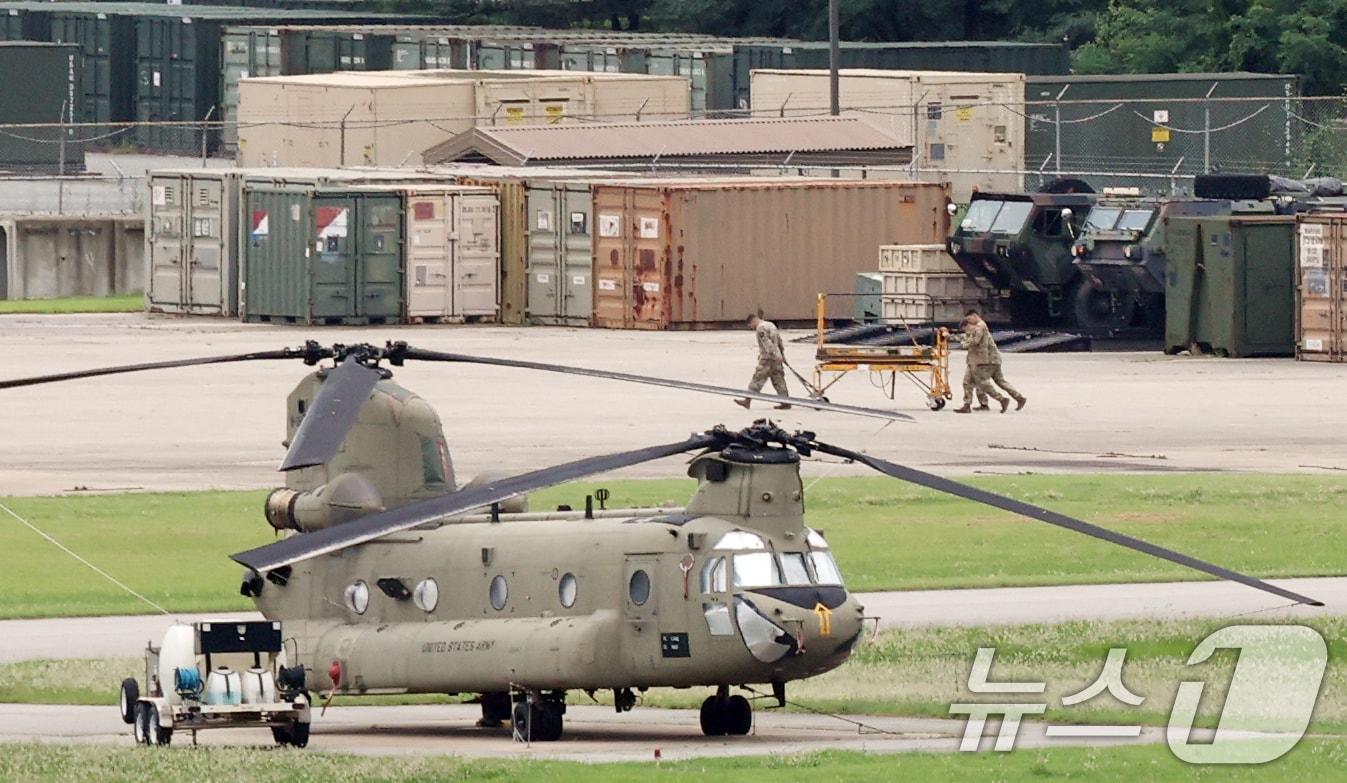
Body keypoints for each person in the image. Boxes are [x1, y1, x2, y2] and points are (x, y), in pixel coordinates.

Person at [942, 309, 1026, 414]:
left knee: (980, 382)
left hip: (983, 360)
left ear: (974, 316)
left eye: (969, 319)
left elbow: (974, 341)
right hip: (988, 359)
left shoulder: (980, 326)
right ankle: (1018, 398)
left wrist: (963, 344)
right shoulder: (979, 327)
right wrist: (950, 336)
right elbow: (966, 336)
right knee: (996, 381)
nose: (969, 322)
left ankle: (1000, 399)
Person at [735, 312, 791, 410]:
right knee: (778, 379)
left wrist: (773, 354)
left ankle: (747, 400)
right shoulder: (771, 325)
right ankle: (785, 401)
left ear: (753, 321)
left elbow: (767, 343)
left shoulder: (761, 328)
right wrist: (781, 355)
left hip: (768, 358)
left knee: (757, 378)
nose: (751, 328)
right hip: (777, 358)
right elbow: (779, 341)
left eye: (750, 325)